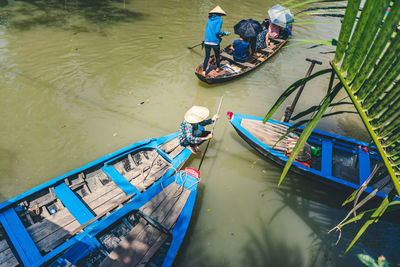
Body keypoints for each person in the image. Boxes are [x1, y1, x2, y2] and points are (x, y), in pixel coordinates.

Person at [202, 6, 230, 76]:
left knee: (207, 57)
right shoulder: (219, 20)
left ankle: (204, 71)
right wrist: (224, 33)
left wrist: (206, 40)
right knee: (217, 56)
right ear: (220, 14)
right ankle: (218, 68)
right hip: (214, 42)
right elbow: (217, 32)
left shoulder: (209, 19)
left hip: (207, 41)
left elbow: (209, 31)